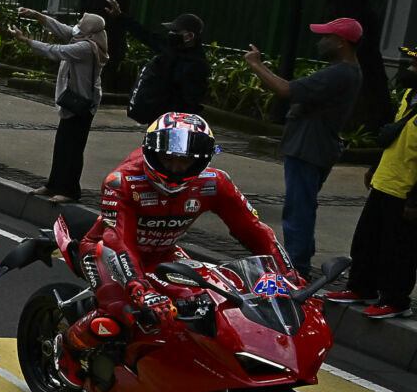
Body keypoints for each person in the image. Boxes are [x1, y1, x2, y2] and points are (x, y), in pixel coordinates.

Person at [64, 113, 289, 356]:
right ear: (151, 152)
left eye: (185, 161)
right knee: (120, 312)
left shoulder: (216, 182)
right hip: (105, 250)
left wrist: (290, 278)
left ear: (201, 160)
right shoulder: (121, 181)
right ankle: (65, 352)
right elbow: (118, 240)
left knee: (206, 305)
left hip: (164, 252)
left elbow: (253, 230)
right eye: (167, 158)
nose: (175, 168)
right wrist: (142, 290)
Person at [244, 18, 364, 272]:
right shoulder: (347, 71)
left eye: (326, 37)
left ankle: (297, 266)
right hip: (312, 147)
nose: (320, 42)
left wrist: (256, 64)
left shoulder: (340, 73)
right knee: (302, 206)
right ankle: (298, 261)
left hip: (308, 149)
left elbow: (285, 89)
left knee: (299, 209)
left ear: (341, 42)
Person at [327, 60, 417, 318]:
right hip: (385, 182)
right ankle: (361, 287)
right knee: (367, 240)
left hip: (405, 191)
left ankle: (396, 300)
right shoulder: (409, 97)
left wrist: (415, 201)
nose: (409, 69)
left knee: (399, 250)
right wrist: (375, 166)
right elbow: (397, 139)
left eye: (416, 65)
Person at [12, 8, 108, 203]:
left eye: (82, 21)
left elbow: (56, 51)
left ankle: (70, 191)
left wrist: (26, 41)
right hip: (73, 101)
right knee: (62, 144)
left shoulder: (87, 48)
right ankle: (54, 184)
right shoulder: (83, 37)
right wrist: (37, 15)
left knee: (73, 148)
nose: (78, 23)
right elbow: (61, 28)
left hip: (82, 104)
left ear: (89, 30)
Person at [106, 0, 209, 123]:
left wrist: (179, 122)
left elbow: (192, 100)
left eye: (176, 31)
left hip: (176, 122)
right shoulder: (170, 47)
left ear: (189, 36)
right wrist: (120, 17)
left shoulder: (197, 65)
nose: (171, 33)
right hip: (157, 117)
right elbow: (146, 35)